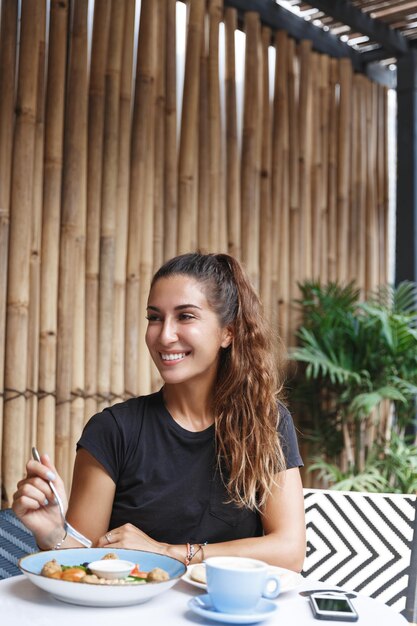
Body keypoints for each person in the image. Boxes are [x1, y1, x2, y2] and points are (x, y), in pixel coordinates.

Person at [12, 252, 306, 571]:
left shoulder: (266, 422)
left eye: (185, 316)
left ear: (228, 332)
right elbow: (81, 564)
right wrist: (53, 532)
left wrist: (168, 552)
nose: (164, 336)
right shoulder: (112, 430)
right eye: (155, 317)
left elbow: (289, 551)